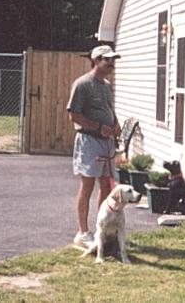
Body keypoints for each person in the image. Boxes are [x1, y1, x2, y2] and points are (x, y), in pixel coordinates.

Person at [66, 45, 122, 248]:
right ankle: (82, 233)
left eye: (113, 60)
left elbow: (109, 109)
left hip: (106, 143)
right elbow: (74, 114)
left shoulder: (106, 85)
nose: (111, 64)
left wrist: (115, 125)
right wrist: (98, 127)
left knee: (106, 186)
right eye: (108, 60)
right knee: (87, 185)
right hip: (89, 141)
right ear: (96, 60)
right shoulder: (83, 84)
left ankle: (102, 230)